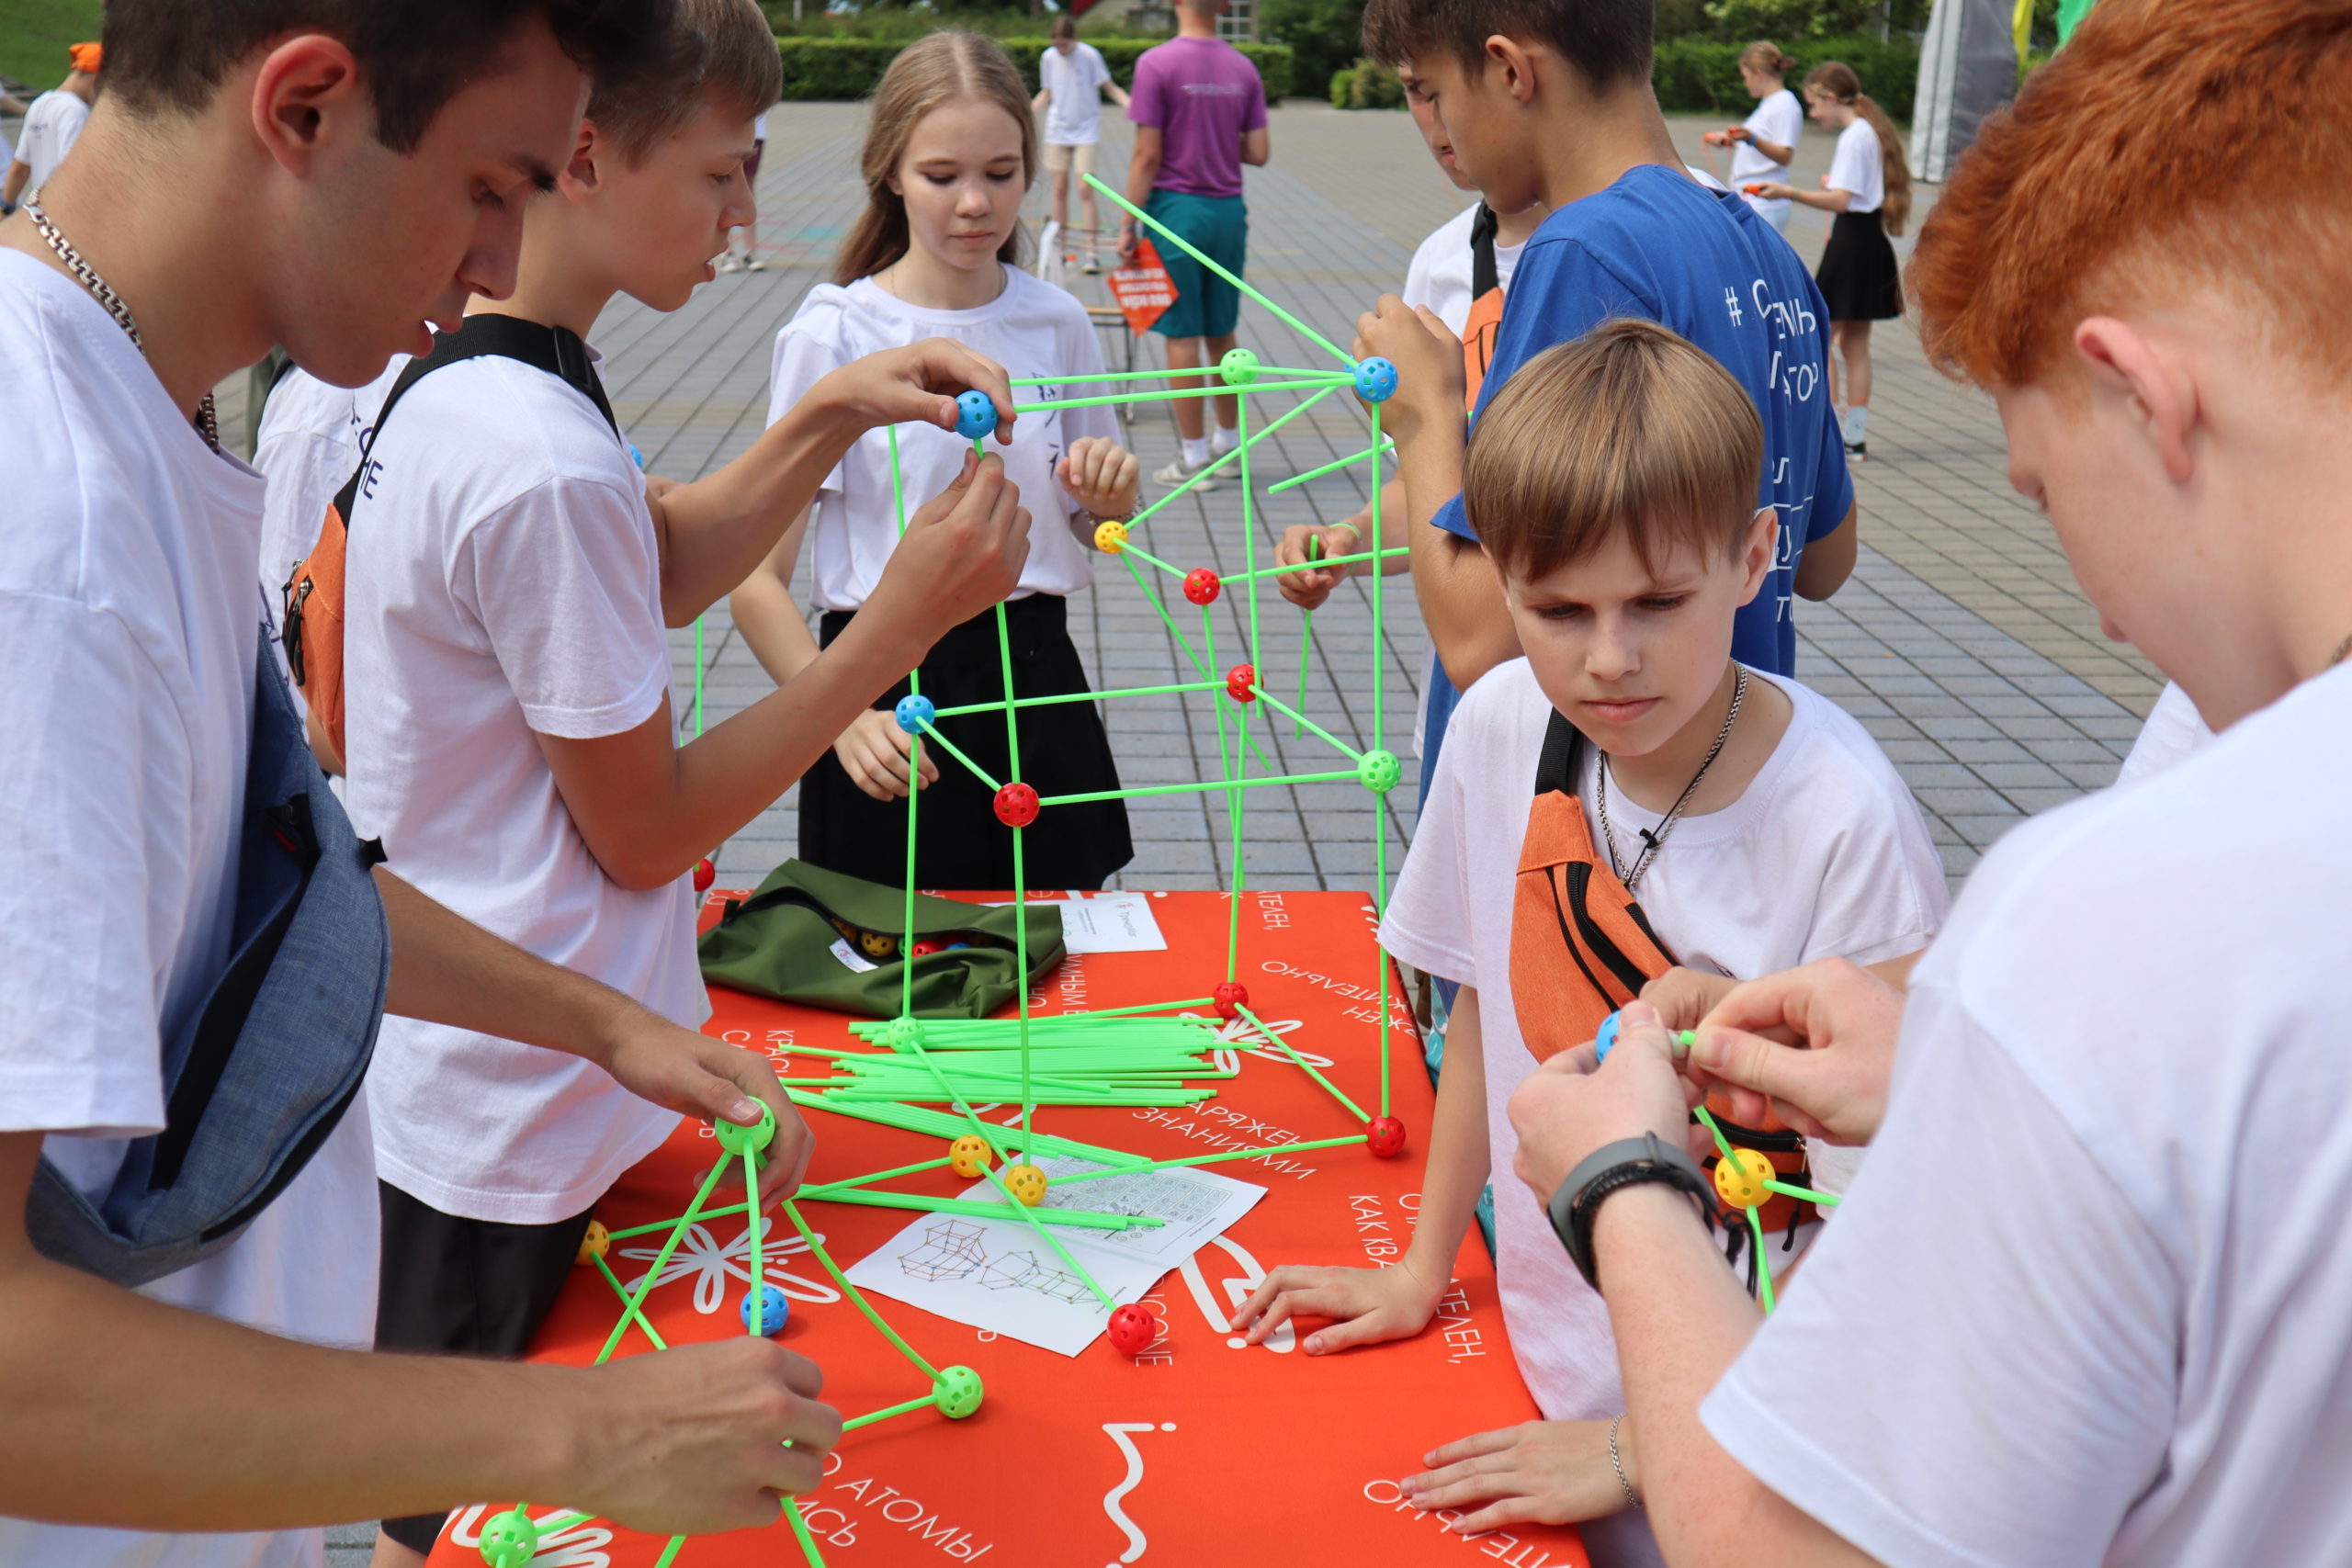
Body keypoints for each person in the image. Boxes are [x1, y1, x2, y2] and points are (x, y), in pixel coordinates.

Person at [0, 3, 899, 1559]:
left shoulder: (120, 425)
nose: (496, 264)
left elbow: (244, 885)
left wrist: (607, 1022)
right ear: (307, 109)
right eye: (491, 185)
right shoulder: (56, 554)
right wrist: (587, 1433)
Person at [1502, 4, 2352, 1563]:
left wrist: (1624, 1180)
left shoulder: (2124, 912)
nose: (2087, 593)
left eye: (2037, 486)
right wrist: (1950, 1041)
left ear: (2141, 395)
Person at [338, 10, 1029, 1559]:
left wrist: (834, 411)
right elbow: (644, 824)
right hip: (509, 1101)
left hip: (534, 1066)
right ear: (583, 154)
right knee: (455, 1516)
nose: (745, 223)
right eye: (722, 176)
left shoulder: (492, 373)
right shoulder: (536, 451)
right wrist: (898, 628)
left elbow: (646, 574)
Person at [1232, 321, 1946, 1568]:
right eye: (1556, 607)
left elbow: (1890, 1250)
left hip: (1753, 1448)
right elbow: (1475, 1021)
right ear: (1494, 576)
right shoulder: (1507, 721)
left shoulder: (1846, 819)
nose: (1608, 660)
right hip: (1542, 1355)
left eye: (1657, 603)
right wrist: (1418, 1267)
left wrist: (1631, 1444)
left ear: (1753, 556)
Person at [1350, 0, 1855, 793]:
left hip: (1577, 818)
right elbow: (1825, 557)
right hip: (1716, 776)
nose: (1436, 122)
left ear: (1510, 69)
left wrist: (1421, 413)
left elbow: (1481, 634)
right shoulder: (1766, 250)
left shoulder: (1585, 253)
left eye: (1431, 89)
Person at [732, 31, 1137, 893]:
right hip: (882, 692)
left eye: (1000, 173)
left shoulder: (1059, 321)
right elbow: (754, 580)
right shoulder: (834, 334)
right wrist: (837, 715)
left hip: (1035, 677)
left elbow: (1096, 527)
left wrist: (1113, 498)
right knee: (890, 987)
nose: (974, 204)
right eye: (941, 176)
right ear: (890, 172)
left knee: (1056, 970)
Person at [1117, 0, 1268, 491]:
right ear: (1225, 5)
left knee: (1181, 337)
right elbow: (1259, 152)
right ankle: (1228, 445)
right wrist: (1220, 137)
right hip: (1228, 213)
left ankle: (1192, 458)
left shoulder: (1156, 63)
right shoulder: (1243, 66)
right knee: (1222, 334)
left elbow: (1146, 154)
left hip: (1176, 212)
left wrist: (1125, 222)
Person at [1750, 62, 1912, 461]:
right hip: (1869, 241)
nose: (1812, 114)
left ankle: (1828, 435)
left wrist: (1788, 192)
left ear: (1829, 97)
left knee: (1821, 340)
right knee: (1856, 344)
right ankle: (1853, 437)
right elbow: (1852, 191)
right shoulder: (1867, 132)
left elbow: (1842, 201)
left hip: (1851, 244)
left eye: (1813, 104)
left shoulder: (1855, 137)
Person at [1032, 16, 1129, 274]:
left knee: (1086, 189)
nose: (1061, 49)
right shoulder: (1049, 57)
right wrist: (1024, 114)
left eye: (1065, 44)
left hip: (1086, 130)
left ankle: (1091, 252)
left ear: (1073, 39)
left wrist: (1133, 107)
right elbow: (1047, 92)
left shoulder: (1089, 56)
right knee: (1059, 190)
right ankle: (1060, 249)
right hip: (1058, 131)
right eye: (1057, 44)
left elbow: (1109, 87)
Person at [1703, 42, 1803, 233]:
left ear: (1757, 73)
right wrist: (1732, 139)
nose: (1745, 83)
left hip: (1766, 202)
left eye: (1745, 77)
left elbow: (1784, 155)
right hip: (1754, 199)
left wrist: (1751, 138)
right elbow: (1760, 141)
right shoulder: (1769, 103)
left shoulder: (1785, 104)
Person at [1, 42, 100, 210]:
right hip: (64, 214)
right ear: (97, 79)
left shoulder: (40, 103)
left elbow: (20, 168)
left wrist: (6, 208)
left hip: (41, 213)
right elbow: (71, 170)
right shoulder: (75, 110)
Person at [718, 106, 767, 271]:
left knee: (748, 188)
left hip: (756, 132)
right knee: (724, 187)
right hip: (726, 131)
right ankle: (726, 251)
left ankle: (751, 251)